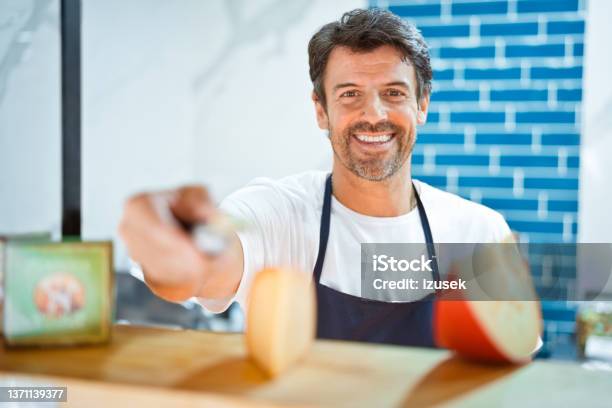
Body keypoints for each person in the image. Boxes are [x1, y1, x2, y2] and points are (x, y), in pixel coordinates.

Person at [119, 8, 511, 347]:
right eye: (350, 94)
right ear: (321, 110)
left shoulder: (478, 232)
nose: (373, 114)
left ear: (421, 104)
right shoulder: (278, 214)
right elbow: (204, 269)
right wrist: (173, 252)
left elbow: (510, 365)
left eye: (393, 93)